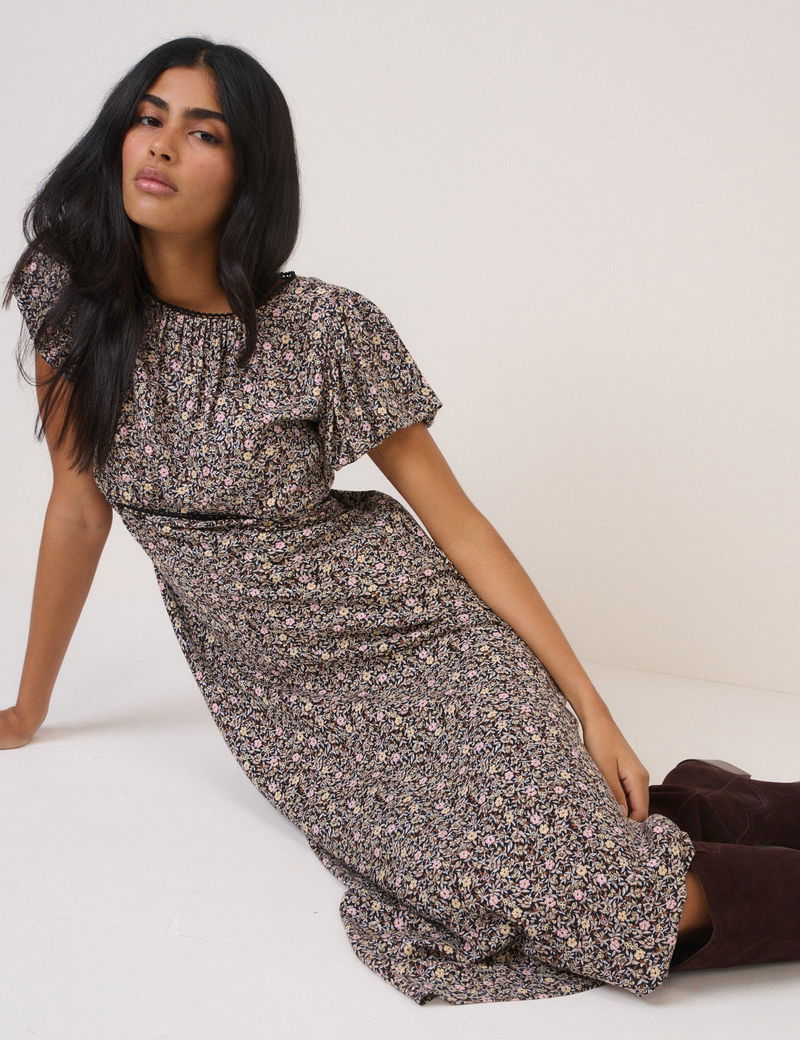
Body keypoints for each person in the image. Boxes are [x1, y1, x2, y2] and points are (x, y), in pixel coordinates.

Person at [3, 36, 798, 1006]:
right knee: (506, 886)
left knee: (610, 897)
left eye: (203, 132)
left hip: (420, 635)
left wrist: (591, 708)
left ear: (251, 173)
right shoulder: (69, 297)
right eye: (148, 117)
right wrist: (29, 706)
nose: (162, 146)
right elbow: (77, 509)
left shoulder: (324, 327)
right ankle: (709, 811)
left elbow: (459, 527)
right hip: (290, 704)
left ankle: (671, 819)